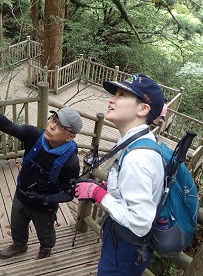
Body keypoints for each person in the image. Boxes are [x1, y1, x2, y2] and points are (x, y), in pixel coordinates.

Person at [0, 88, 83, 260]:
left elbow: (69, 194)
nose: (52, 126)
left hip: (44, 206)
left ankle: (45, 249)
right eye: (54, 119)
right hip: (21, 194)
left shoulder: (71, 162)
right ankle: (19, 245)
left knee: (45, 232)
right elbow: (9, 126)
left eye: (61, 126)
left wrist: (43, 199)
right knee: (17, 224)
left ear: (70, 136)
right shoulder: (35, 136)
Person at [74, 74, 165, 275]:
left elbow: (139, 223)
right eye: (115, 94)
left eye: (122, 95)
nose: (112, 99)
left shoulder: (138, 158)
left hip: (126, 247)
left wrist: (98, 194)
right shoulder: (136, 141)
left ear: (143, 109)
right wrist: (108, 188)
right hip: (120, 239)